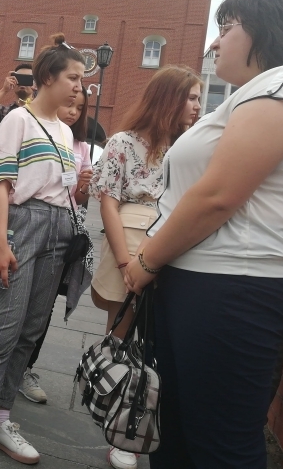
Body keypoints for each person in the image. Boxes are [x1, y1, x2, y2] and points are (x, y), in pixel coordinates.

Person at [122, 0, 283, 469]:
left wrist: (144, 262)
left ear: (266, 31)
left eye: (227, 28)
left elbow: (218, 195)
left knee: (220, 443)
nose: (215, 42)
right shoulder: (252, 94)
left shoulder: (282, 85)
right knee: (175, 432)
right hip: (206, 282)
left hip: (233, 286)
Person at [0, 34, 85, 469]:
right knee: (1, 331)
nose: (79, 87)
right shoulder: (18, 119)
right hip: (21, 225)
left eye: (81, 80)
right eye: (73, 77)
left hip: (58, 231)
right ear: (48, 77)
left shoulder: (66, 130)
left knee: (29, 332)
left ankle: (0, 419)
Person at [88, 66, 201, 469]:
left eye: (198, 97)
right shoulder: (122, 141)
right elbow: (108, 202)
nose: (197, 106)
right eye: (190, 97)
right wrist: (123, 260)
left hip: (176, 245)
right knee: (122, 338)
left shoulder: (190, 146)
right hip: (130, 239)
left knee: (161, 340)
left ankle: (153, 423)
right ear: (168, 99)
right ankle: (122, 429)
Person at [19, 88, 94, 406]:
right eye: (69, 104)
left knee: (43, 307)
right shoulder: (33, 129)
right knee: (15, 300)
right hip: (29, 225)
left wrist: (84, 186)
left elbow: (78, 198)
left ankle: (24, 369)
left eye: (80, 108)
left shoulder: (81, 146)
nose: (73, 111)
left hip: (63, 231)